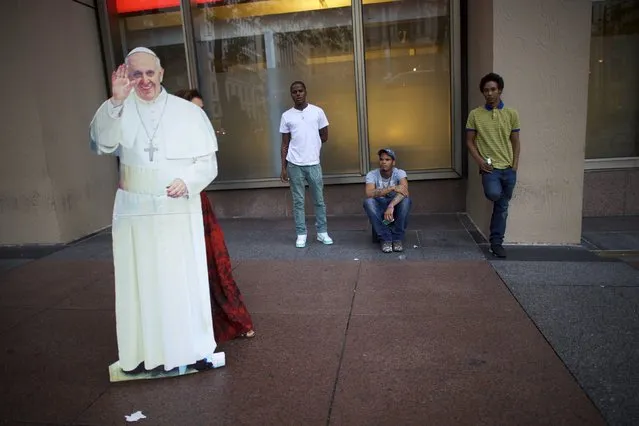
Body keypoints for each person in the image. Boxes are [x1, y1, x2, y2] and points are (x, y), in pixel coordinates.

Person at [89, 47, 220, 374]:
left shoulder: (187, 112)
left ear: (161, 74)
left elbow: (208, 163)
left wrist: (187, 182)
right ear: (127, 77)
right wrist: (116, 102)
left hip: (177, 209)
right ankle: (142, 353)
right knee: (139, 282)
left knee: (182, 279)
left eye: (150, 73)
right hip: (134, 209)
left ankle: (192, 349)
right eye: (136, 74)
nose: (144, 80)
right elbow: (100, 143)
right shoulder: (117, 108)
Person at [174, 88, 255, 342]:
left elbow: (206, 168)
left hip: (197, 204)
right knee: (182, 270)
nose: (200, 115)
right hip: (170, 210)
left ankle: (230, 320)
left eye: (202, 110)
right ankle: (187, 328)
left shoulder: (199, 137)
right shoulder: (170, 137)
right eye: (194, 110)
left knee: (214, 265)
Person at [466, 72, 521, 258]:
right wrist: (480, 162)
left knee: (503, 209)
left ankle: (496, 243)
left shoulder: (511, 113)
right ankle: (496, 239)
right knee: (494, 194)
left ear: (500, 90)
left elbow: (515, 141)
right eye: (486, 90)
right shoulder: (475, 114)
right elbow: (469, 141)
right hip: (489, 169)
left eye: (493, 90)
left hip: (508, 168)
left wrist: (514, 166)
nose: (489, 93)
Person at [279, 81, 333, 248]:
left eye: (300, 91)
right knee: (298, 201)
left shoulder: (317, 112)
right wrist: (283, 167)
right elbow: (285, 144)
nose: (298, 94)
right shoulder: (286, 116)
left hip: (313, 163)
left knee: (319, 200)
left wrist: (312, 143)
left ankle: (322, 232)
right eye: (294, 92)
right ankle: (301, 234)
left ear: (305, 92)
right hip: (294, 164)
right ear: (291, 95)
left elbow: (324, 136)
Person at [363, 148, 411, 253]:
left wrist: (391, 206)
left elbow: (404, 192)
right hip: (380, 206)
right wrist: (391, 188)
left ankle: (397, 238)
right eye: (381, 159)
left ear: (393, 162)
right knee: (368, 202)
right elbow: (369, 193)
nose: (383, 162)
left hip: (394, 206)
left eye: (387, 159)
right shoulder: (372, 174)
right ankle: (386, 239)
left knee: (406, 201)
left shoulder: (400, 173)